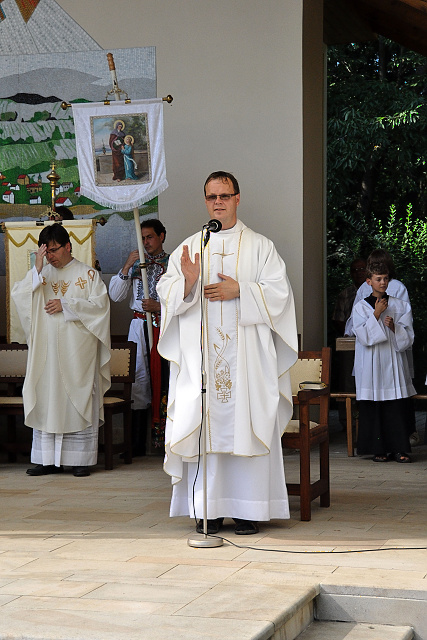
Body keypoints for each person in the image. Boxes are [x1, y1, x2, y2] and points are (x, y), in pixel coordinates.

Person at [157, 171, 298, 535]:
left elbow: (280, 295)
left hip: (248, 362)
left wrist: (243, 291)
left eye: (224, 195)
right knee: (206, 427)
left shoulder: (261, 247)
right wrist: (188, 283)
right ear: (205, 201)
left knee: (247, 425)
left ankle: (249, 510)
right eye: (211, 196)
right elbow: (167, 294)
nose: (217, 202)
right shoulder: (191, 246)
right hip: (202, 362)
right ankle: (209, 509)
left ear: (237, 198)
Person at [11, 224, 111, 477]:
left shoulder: (88, 275)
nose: (51, 256)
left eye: (54, 250)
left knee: (76, 400)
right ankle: (46, 459)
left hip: (77, 354)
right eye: (46, 252)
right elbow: (20, 296)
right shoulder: (40, 275)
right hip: (47, 355)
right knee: (47, 398)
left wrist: (67, 305)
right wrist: (36, 268)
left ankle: (80, 459)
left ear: (68, 246)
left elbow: (100, 308)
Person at [109, 219, 169, 455]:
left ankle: (165, 443)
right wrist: (126, 266)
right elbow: (115, 296)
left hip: (164, 326)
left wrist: (159, 307)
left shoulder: (172, 264)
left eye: (150, 237)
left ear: (161, 236)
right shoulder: (135, 265)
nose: (146, 242)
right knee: (138, 381)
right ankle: (136, 445)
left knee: (164, 380)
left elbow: (186, 299)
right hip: (138, 326)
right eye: (142, 238)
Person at [352, 259, 416, 463]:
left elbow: (408, 337)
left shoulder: (400, 305)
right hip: (371, 365)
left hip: (393, 363)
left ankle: (399, 449)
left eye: (386, 279)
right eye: (378, 279)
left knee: (395, 406)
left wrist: (395, 328)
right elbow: (363, 337)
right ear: (369, 281)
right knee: (375, 405)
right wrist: (376, 314)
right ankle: (378, 449)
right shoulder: (360, 308)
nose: (383, 283)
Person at [332, 258, 366, 337]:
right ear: (351, 273)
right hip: (351, 338)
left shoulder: (377, 291)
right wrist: (348, 335)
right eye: (355, 270)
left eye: (362, 269)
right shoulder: (345, 294)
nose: (359, 273)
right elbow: (338, 319)